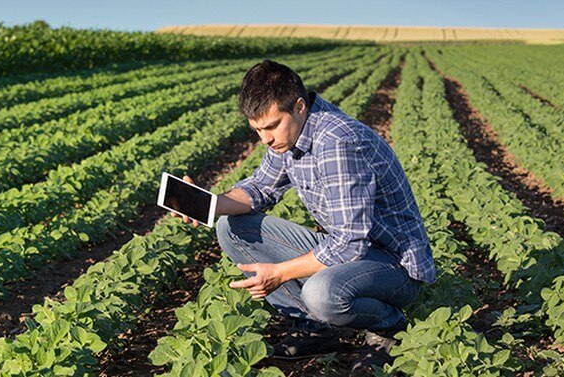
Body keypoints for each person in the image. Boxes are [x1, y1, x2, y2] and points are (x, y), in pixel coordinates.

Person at [175, 59, 436, 370]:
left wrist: (281, 273)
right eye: (257, 129)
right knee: (231, 228)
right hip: (353, 253)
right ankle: (315, 329)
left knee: (321, 292)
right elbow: (260, 188)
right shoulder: (291, 135)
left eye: (271, 126)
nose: (266, 139)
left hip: (395, 266)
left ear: (299, 107)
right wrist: (209, 202)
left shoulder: (338, 143)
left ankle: (388, 328)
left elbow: (350, 244)